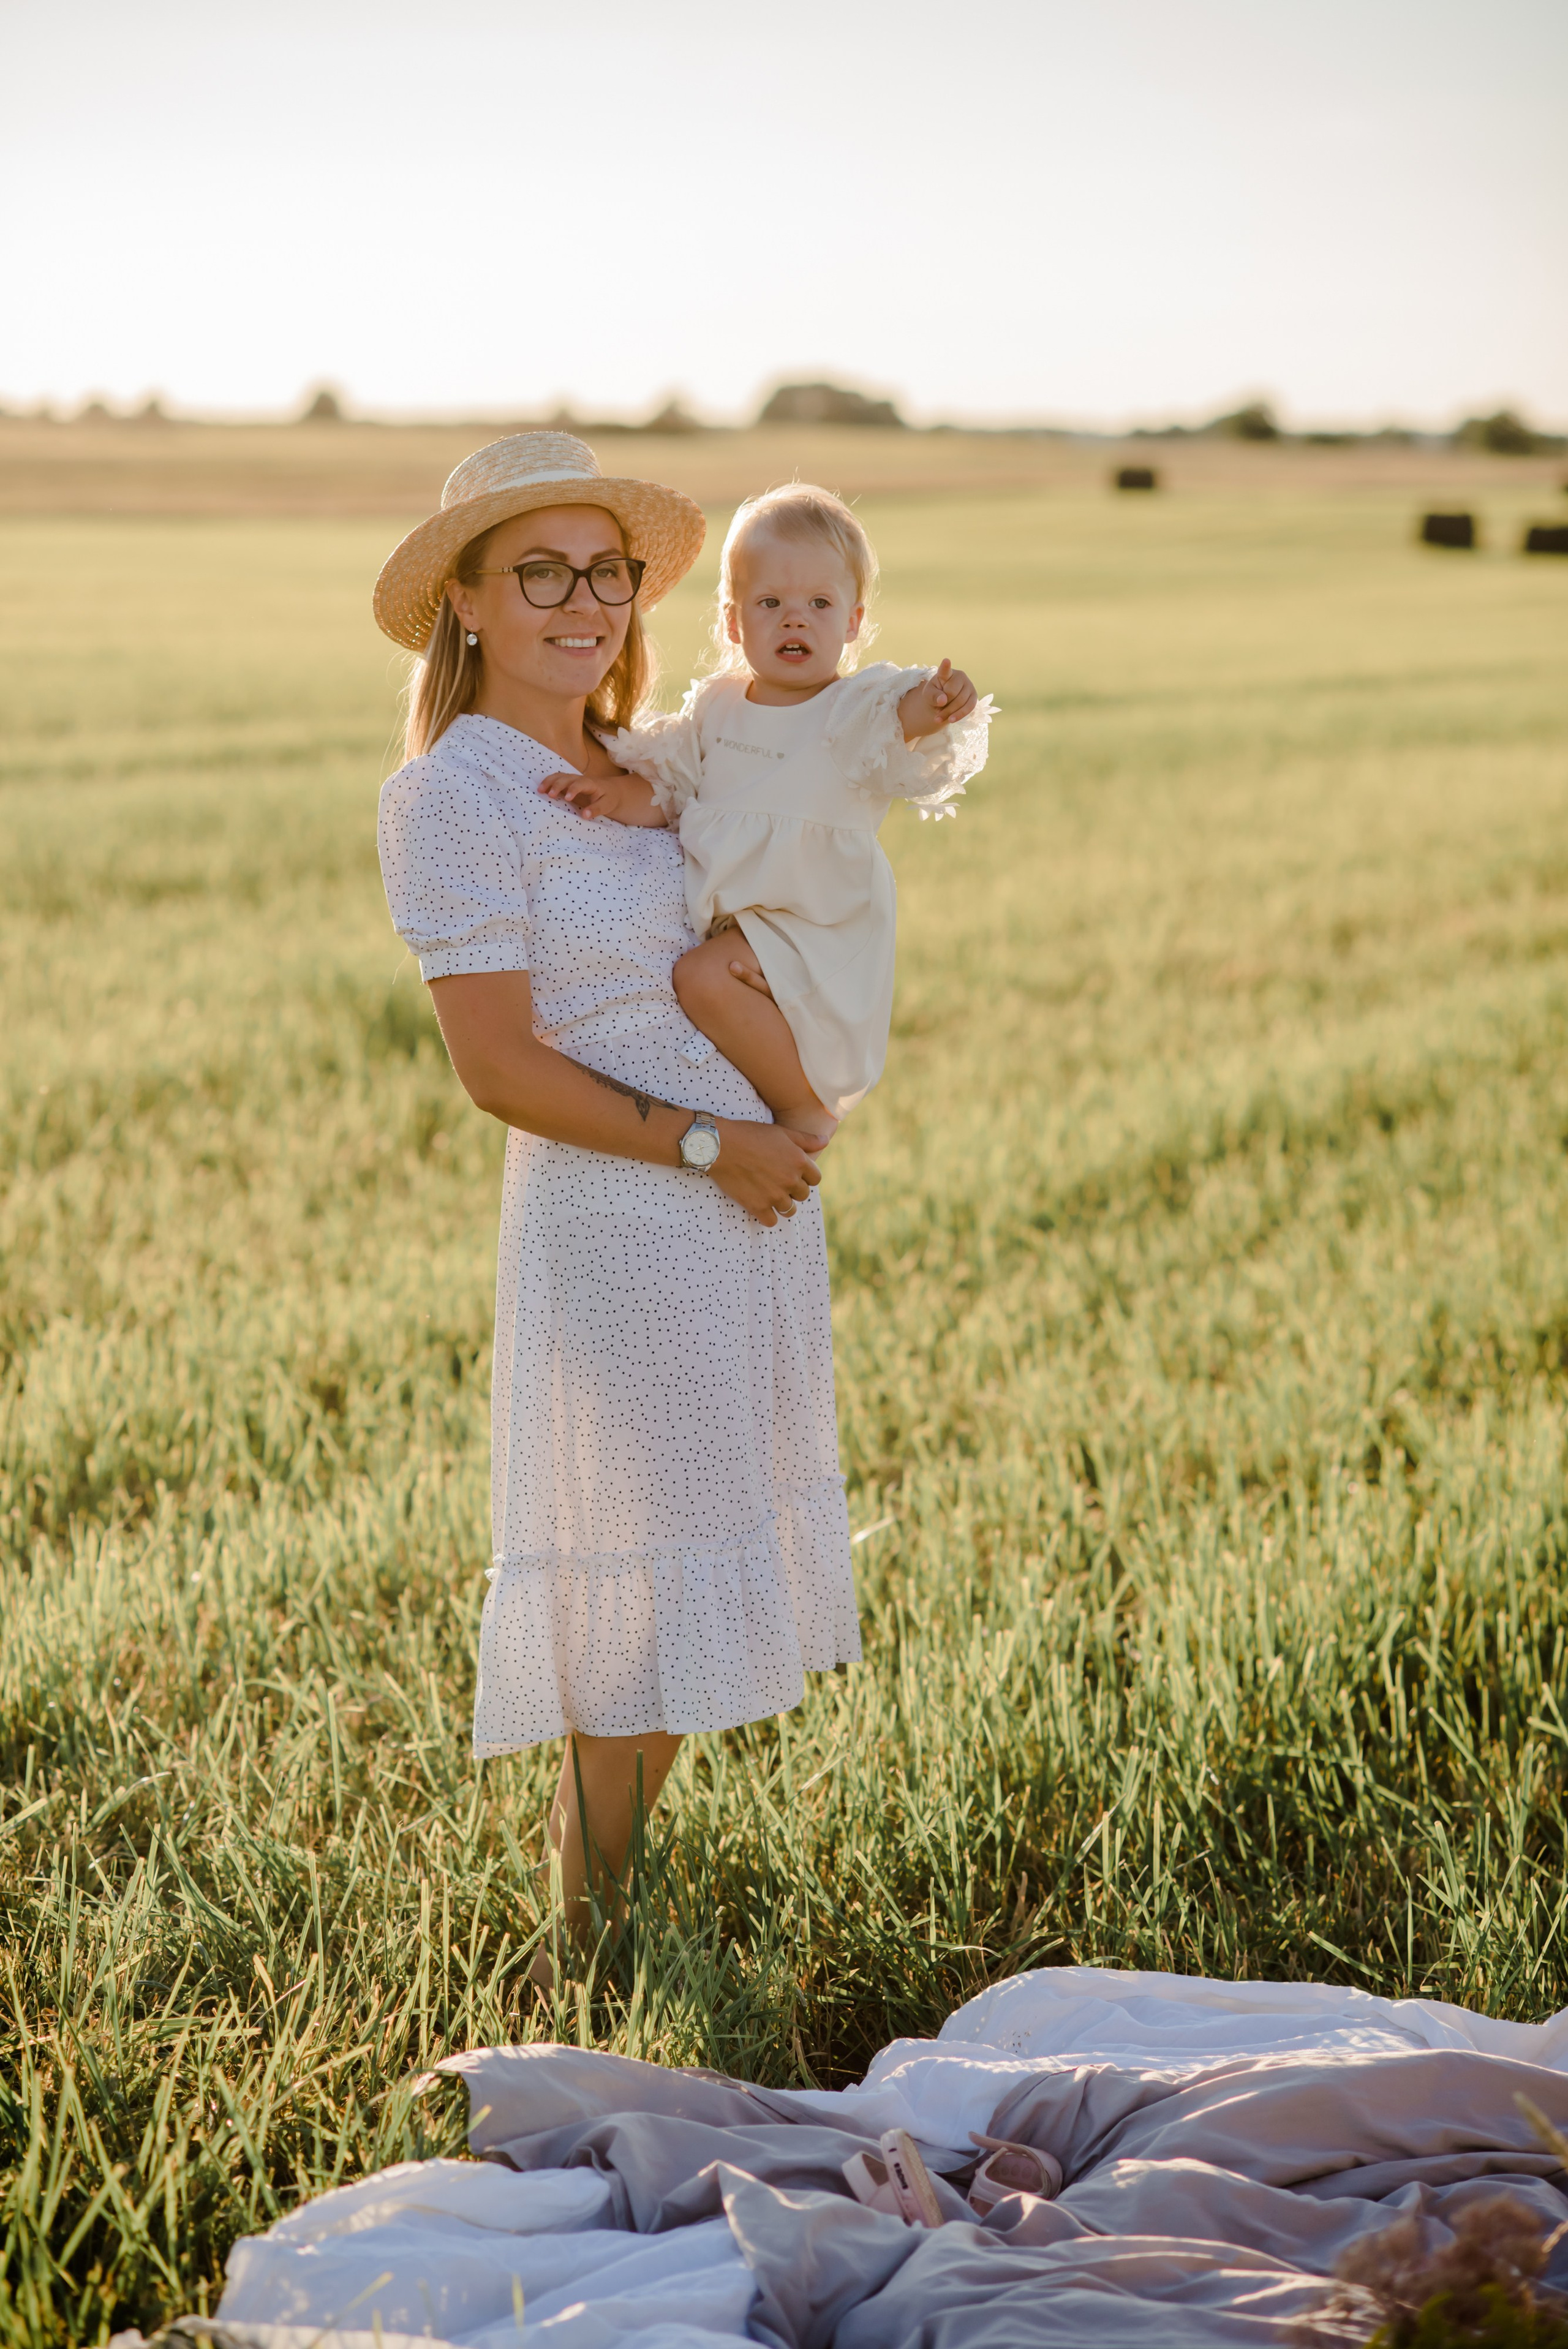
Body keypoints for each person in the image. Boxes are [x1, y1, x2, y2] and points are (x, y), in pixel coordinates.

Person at [372, 434, 861, 1964]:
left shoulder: (651, 759)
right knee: (628, 1611)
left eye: (606, 570)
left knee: (690, 1571)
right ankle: (587, 1943)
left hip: (741, 1220)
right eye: (539, 571)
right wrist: (716, 1144)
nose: (582, 601)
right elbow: (500, 1063)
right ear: (465, 600)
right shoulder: (451, 796)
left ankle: (616, 1913)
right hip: (627, 1223)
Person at [538, 483, 993, 1148]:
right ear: (732, 623)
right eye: (770, 604)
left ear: (853, 622)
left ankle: (805, 1110)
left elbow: (908, 717)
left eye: (819, 604)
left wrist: (940, 701)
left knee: (699, 978)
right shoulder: (717, 708)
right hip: (741, 922)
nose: (795, 621)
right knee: (700, 977)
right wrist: (609, 797)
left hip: (816, 922)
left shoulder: (853, 710)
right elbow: (670, 790)